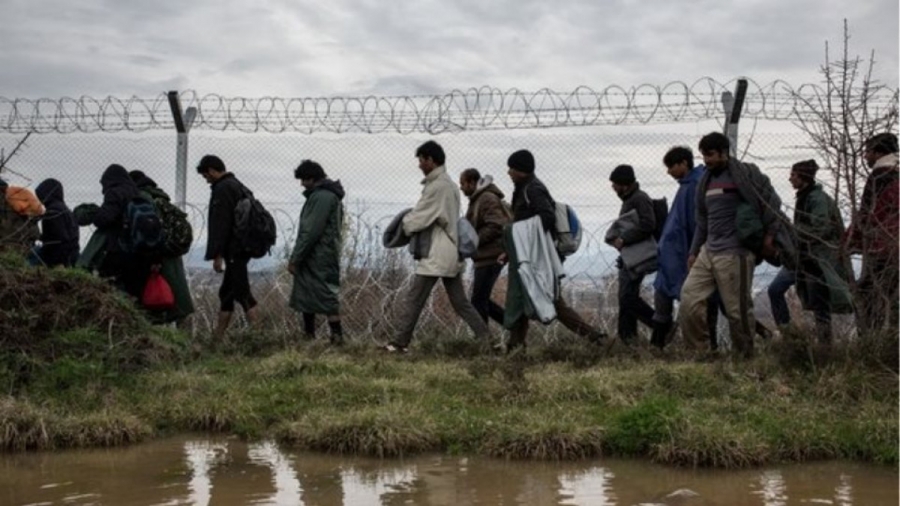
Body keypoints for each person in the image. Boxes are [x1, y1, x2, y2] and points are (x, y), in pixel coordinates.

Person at [679, 132, 795, 358]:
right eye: (704, 156)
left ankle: (744, 358)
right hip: (708, 251)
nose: (707, 161)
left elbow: (771, 204)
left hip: (735, 252)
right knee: (689, 300)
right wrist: (694, 251)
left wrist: (769, 237)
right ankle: (700, 355)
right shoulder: (706, 181)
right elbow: (702, 220)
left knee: (737, 312)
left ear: (724, 152)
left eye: (711, 155)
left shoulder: (746, 174)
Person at [383, 141, 490, 352]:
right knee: (461, 303)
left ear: (431, 160)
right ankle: (487, 340)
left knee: (414, 299)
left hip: (437, 252)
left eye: (421, 160)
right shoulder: (448, 184)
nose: (420, 165)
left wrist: (401, 227)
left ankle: (398, 343)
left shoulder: (437, 187)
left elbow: (420, 217)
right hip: (450, 250)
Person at [501, 149, 606, 352]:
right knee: (523, 297)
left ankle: (595, 337)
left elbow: (546, 217)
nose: (509, 173)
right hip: (529, 256)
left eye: (512, 169)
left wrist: (523, 236)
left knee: (553, 302)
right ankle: (515, 347)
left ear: (521, 170)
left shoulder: (533, 189)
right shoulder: (525, 188)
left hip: (540, 258)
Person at [651, 147, 718, 348]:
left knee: (698, 302)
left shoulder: (695, 185)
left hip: (685, 255)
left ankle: (702, 346)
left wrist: (693, 251)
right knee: (666, 297)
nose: (669, 172)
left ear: (683, 164)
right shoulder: (688, 185)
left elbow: (695, 223)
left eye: (671, 166)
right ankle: (659, 344)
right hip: (676, 256)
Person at [197, 155, 258, 340]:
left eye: (206, 175)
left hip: (234, 249)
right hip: (243, 246)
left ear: (212, 170)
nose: (206, 179)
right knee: (227, 293)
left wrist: (218, 254)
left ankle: (258, 335)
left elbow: (221, 224)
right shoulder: (237, 185)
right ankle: (217, 338)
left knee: (241, 292)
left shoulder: (223, 189)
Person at [845, 132, 899, 334]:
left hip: (883, 247)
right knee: (892, 298)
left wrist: (849, 242)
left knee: (867, 296)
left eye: (867, 152)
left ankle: (871, 343)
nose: (865, 157)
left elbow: (867, 213)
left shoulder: (880, 176)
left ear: (878, 153)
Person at [288, 160, 346, 345]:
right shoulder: (328, 196)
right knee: (308, 294)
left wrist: (296, 257)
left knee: (325, 295)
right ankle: (310, 336)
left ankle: (335, 338)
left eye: (303, 180)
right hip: (321, 253)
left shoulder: (321, 197)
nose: (302, 184)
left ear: (311, 178)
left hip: (317, 255)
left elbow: (310, 230)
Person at [129, 170, 195, 325]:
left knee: (153, 301)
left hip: (155, 257)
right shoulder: (162, 200)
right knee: (177, 302)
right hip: (172, 255)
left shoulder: (142, 200)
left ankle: (158, 344)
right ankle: (186, 344)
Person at [605, 164, 656, 344]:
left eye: (615, 184)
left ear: (624, 184)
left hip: (638, 257)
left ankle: (660, 325)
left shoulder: (639, 199)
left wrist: (624, 239)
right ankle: (628, 340)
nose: (613, 188)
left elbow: (648, 224)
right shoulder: (630, 199)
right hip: (630, 256)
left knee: (627, 298)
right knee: (626, 298)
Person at [459, 167, 510, 326]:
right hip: (485, 256)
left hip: (491, 256)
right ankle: (512, 325)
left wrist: (474, 241)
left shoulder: (486, 198)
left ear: (472, 182)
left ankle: (485, 339)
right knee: (480, 300)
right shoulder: (478, 199)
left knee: (478, 301)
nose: (461, 187)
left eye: (463, 184)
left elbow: (496, 225)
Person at [91, 164, 148, 298]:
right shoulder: (139, 193)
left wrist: (95, 215)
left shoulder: (115, 192)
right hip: (140, 251)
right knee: (135, 293)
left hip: (119, 249)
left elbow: (104, 218)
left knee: (112, 290)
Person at [31, 178, 79, 268]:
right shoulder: (65, 210)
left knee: (29, 257)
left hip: (58, 258)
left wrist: (56, 263)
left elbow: (57, 239)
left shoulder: (53, 212)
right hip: (72, 254)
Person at [0, 177, 41, 257]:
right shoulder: (18, 199)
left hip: (8, 249)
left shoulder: (6, 204)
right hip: (27, 247)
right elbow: (35, 234)